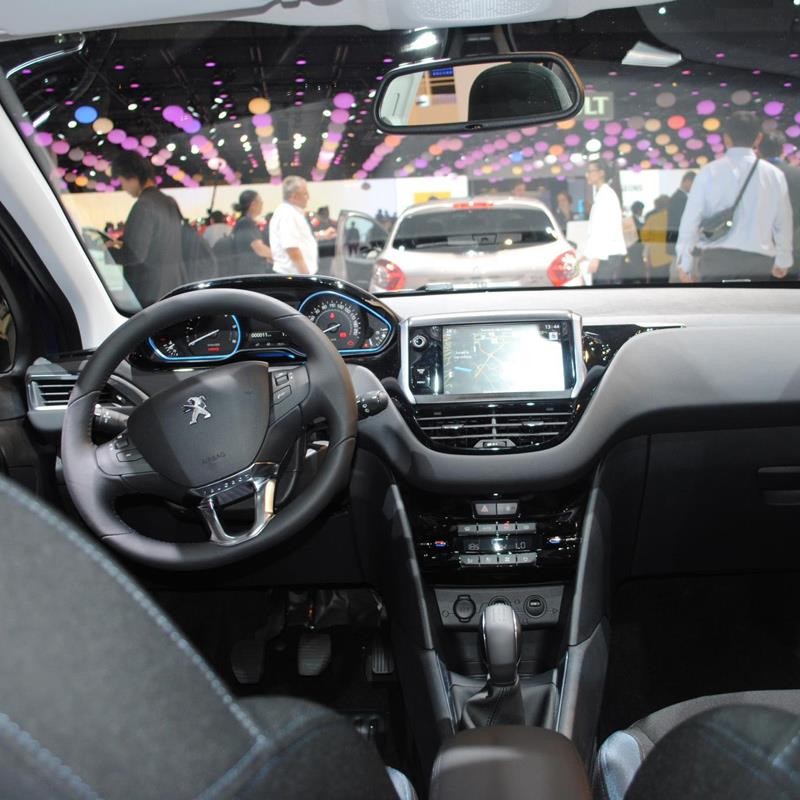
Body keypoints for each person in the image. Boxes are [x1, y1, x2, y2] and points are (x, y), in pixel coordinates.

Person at [676, 111, 792, 282]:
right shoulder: (774, 175)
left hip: (715, 262)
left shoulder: (709, 172)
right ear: (758, 139)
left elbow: (690, 220)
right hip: (759, 263)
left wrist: (684, 263)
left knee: (720, 308)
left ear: (726, 138)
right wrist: (783, 260)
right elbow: (783, 222)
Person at [109, 151, 185, 306]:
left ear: (133, 177)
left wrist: (108, 252)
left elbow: (135, 255)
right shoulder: (169, 202)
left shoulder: (143, 206)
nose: (124, 188)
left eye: (122, 182)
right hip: (172, 287)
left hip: (147, 293)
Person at [269, 176, 335, 275]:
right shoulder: (288, 214)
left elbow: (300, 238)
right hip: (295, 276)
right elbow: (292, 248)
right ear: (294, 196)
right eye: (305, 194)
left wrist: (323, 235)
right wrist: (306, 276)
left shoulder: (292, 212)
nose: (308, 197)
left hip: (296, 274)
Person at [760, 131, 800, 278]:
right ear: (783, 150)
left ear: (759, 149)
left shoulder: (749, 177)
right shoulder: (796, 175)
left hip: (757, 252)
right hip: (794, 249)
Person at [584, 159, 627, 285]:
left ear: (601, 173)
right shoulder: (603, 194)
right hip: (606, 255)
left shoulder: (606, 195)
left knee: (600, 296)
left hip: (607, 256)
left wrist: (596, 257)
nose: (587, 174)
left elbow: (606, 230)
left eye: (590, 171)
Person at [231, 190, 272, 275]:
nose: (262, 204)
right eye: (260, 201)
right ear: (253, 204)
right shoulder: (246, 223)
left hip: (250, 271)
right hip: (252, 272)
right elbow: (259, 248)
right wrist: (277, 256)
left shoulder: (243, 222)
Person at [640, 195, 673, 283]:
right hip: (672, 257)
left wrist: (646, 256)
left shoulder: (652, 219)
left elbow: (644, 238)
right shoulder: (674, 218)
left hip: (656, 259)